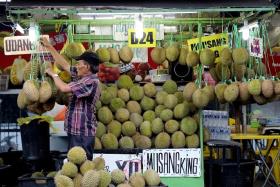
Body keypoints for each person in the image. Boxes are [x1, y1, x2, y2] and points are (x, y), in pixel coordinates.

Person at [40, 38, 101, 160]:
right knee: (74, 165)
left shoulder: (90, 82)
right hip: (75, 130)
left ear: (87, 66)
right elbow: (65, 65)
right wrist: (49, 47)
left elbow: (63, 88)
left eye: (79, 63)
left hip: (82, 132)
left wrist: (53, 74)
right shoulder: (82, 76)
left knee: (83, 166)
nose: (76, 66)